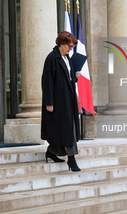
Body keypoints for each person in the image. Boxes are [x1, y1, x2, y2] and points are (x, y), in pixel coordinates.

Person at [41, 31, 82, 172]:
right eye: (69, 46)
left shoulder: (67, 58)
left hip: (68, 100)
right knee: (67, 131)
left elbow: (68, 80)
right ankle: (72, 160)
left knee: (66, 130)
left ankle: (51, 152)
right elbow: (47, 82)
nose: (71, 49)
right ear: (61, 44)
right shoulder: (52, 58)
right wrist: (49, 102)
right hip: (58, 102)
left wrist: (75, 76)